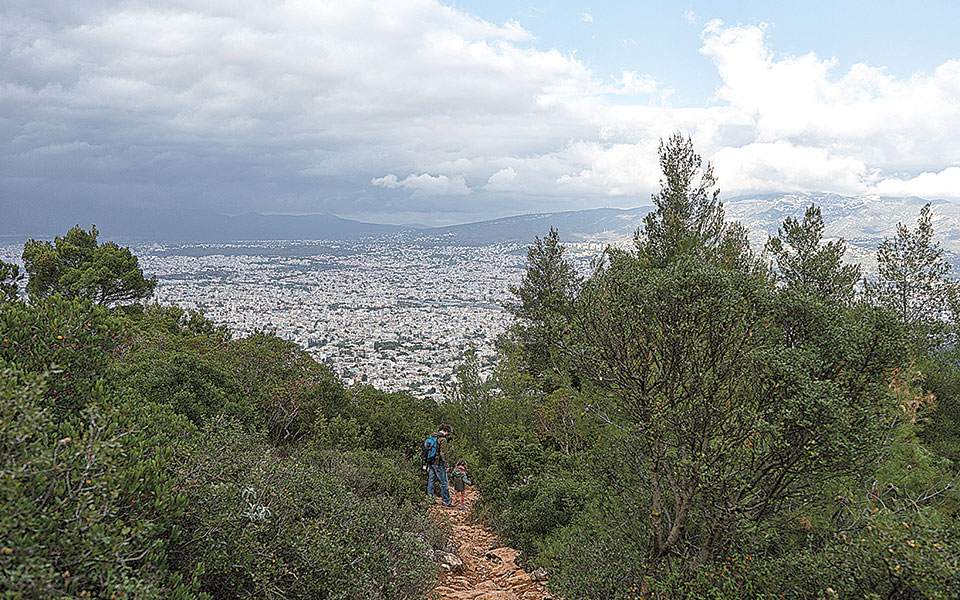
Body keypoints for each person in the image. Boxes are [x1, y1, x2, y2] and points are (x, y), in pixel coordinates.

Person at [426, 424, 453, 507]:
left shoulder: (432, 436)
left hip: (431, 462)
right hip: (439, 463)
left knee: (431, 481)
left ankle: (430, 500)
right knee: (444, 482)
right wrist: (446, 464)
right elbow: (442, 453)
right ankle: (446, 501)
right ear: (446, 431)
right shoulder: (442, 439)